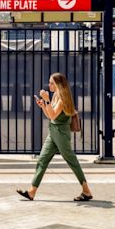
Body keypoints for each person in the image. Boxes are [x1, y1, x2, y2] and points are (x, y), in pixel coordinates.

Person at [17, 73, 93, 202]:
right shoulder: (56, 96)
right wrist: (43, 105)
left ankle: (86, 191)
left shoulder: (63, 98)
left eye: (52, 83)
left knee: (71, 160)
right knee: (42, 160)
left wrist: (46, 99)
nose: (49, 85)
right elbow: (50, 115)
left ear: (58, 84)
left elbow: (53, 115)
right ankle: (32, 192)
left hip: (61, 133)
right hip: (53, 131)